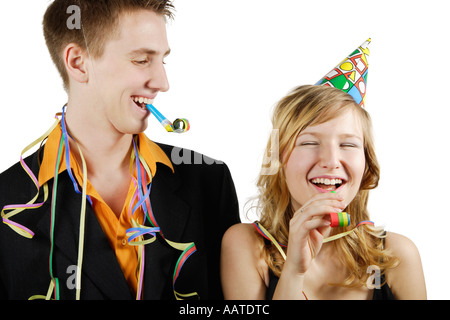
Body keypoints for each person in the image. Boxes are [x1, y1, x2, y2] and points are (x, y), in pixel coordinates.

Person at [0, 0, 240, 300]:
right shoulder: (7, 200)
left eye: (162, 60)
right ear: (78, 63)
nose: (162, 83)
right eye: (142, 60)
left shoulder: (209, 181)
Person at [220, 84, 426, 299]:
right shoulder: (245, 245)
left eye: (348, 144)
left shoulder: (398, 254)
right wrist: (293, 271)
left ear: (367, 163)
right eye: (309, 142)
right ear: (280, 160)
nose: (331, 161)